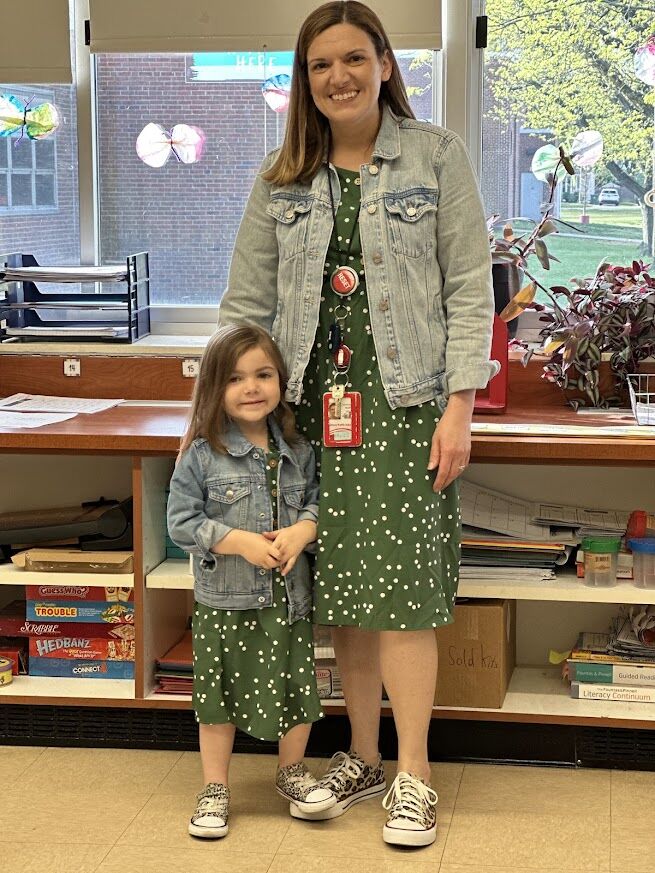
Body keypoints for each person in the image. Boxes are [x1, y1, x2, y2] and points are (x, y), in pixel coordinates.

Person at [217, 0, 499, 849]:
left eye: (351, 58)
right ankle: (364, 753)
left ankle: (413, 770)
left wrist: (460, 409)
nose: (335, 77)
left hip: (409, 409)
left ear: (383, 62)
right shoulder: (282, 178)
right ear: (303, 82)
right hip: (308, 416)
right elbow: (244, 308)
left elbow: (467, 293)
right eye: (317, 65)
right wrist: (240, 421)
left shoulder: (435, 156)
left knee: (405, 591)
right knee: (341, 591)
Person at [167, 323, 336, 840]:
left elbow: (316, 501)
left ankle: (290, 773)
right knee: (217, 697)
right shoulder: (201, 453)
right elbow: (181, 521)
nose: (252, 387)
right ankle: (215, 787)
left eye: (263, 374)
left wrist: (304, 529)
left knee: (296, 689)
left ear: (280, 380)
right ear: (215, 387)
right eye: (236, 378)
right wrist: (237, 541)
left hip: (286, 601)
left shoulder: (299, 450)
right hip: (225, 600)